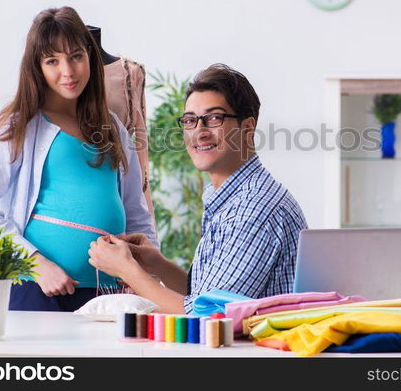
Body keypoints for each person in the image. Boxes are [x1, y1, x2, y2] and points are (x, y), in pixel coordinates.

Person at [0, 6, 157, 312]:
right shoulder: (21, 126)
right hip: (40, 289)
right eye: (53, 60)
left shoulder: (112, 127)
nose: (68, 71)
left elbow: (136, 211)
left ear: (90, 57)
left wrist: (148, 278)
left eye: (76, 56)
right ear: (36, 67)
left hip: (109, 294)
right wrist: (37, 264)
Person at [88, 64, 307, 313]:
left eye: (214, 118)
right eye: (191, 121)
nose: (199, 132)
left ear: (247, 128)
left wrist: (128, 270)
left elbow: (206, 316)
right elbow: (205, 296)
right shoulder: (230, 197)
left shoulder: (254, 208)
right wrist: (157, 264)